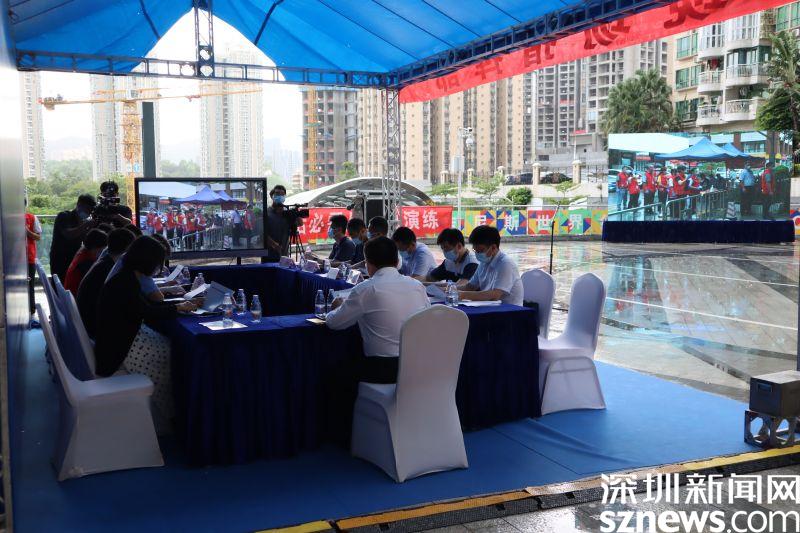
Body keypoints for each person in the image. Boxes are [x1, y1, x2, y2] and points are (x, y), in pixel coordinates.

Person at [94, 236, 196, 418]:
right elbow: (146, 311)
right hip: (119, 348)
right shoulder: (126, 282)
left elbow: (144, 307)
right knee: (169, 354)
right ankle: (165, 416)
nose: (158, 268)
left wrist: (176, 306)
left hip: (117, 340)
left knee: (168, 347)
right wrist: (178, 307)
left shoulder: (127, 276)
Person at [325, 236, 430, 384]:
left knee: (339, 371)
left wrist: (337, 308)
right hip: (419, 365)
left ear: (368, 263)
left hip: (383, 369)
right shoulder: (417, 286)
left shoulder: (366, 289)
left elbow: (334, 323)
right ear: (397, 262)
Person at [77, 228, 136, 338]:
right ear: (128, 248)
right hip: (98, 330)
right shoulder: (109, 270)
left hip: (89, 323)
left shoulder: (104, 263)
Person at [457, 225, 523, 306]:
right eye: (475, 250)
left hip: (510, 309)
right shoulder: (483, 263)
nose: (477, 254)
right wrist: (449, 289)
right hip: (491, 307)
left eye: (480, 250)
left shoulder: (505, 263)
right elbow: (470, 287)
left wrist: (462, 295)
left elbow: (494, 295)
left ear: (493, 247)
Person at [49, 194, 97, 282]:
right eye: (87, 209)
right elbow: (68, 234)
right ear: (79, 205)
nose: (88, 213)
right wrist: (85, 225)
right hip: (60, 260)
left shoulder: (83, 221)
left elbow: (85, 241)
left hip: (74, 259)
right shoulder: (64, 216)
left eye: (90, 211)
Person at [63, 229, 107, 294]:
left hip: (71, 293)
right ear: (95, 247)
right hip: (74, 296)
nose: (103, 252)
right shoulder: (86, 261)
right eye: (102, 249)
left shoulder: (82, 252)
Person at [264, 185, 292, 262]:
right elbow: (262, 233)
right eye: (277, 194)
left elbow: (300, 223)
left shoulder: (287, 213)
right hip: (268, 256)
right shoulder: (266, 213)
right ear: (272, 196)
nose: (280, 196)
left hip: (284, 256)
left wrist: (296, 213)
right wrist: (274, 244)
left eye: (282, 194)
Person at [25, 198, 42, 323]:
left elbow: (38, 237)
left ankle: (31, 310)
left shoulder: (31, 218)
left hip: (29, 258)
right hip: (14, 260)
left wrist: (27, 232)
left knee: (30, 285)